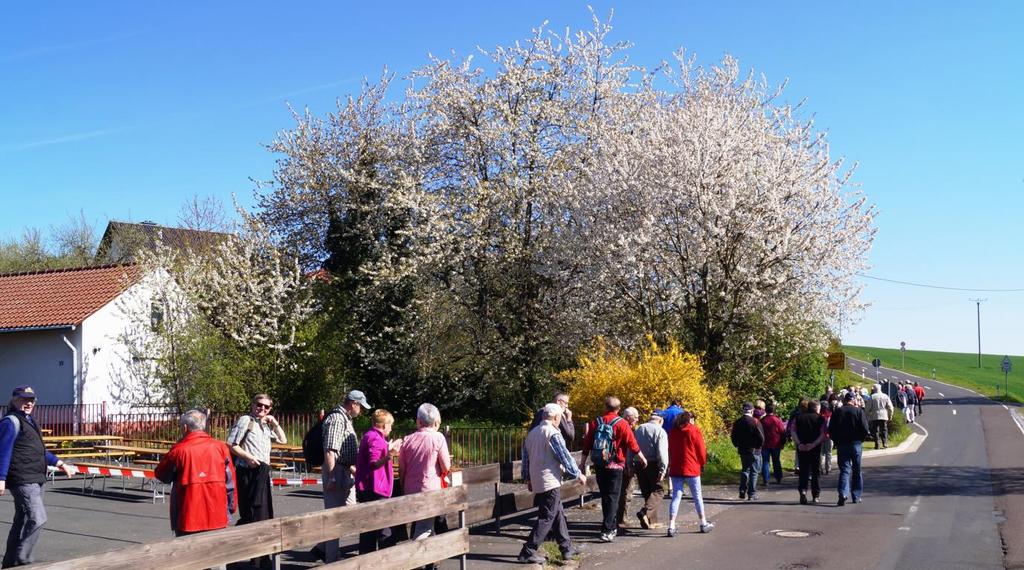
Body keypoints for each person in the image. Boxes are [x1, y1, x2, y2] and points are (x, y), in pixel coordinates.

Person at [0, 386, 75, 568]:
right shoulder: (11, 422)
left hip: (35, 476)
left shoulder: (29, 421)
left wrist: (61, 464)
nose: (29, 403)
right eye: (24, 399)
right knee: (38, 517)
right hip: (23, 478)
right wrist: (1, 478)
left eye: (31, 400)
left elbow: (39, 451)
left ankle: (10, 562)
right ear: (15, 400)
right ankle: (22, 559)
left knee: (23, 519)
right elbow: (3, 451)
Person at [518, 404, 587, 564]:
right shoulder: (552, 433)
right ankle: (528, 551)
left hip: (537, 479)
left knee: (557, 513)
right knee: (547, 516)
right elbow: (564, 456)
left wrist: (528, 478)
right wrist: (578, 474)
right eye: (560, 417)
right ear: (556, 417)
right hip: (550, 480)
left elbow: (526, 459)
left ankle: (566, 548)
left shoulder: (532, 433)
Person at [155, 410, 238, 541]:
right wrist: (231, 508)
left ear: (185, 427)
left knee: (189, 556)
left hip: (187, 515)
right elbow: (230, 482)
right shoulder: (220, 448)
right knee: (217, 554)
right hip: (218, 514)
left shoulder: (179, 450)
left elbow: (162, 475)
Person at [226, 393, 287, 568]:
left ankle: (259, 558)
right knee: (252, 514)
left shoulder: (265, 424)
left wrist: (274, 422)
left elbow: (283, 440)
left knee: (263, 515)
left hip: (262, 472)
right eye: (259, 405)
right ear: (252, 405)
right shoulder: (246, 420)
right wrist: (248, 457)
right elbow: (231, 444)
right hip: (248, 472)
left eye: (266, 407)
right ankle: (236, 551)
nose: (262, 409)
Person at [581, 396, 647, 543]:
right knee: (613, 498)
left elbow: (587, 444)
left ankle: (607, 525)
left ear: (605, 407)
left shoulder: (596, 422)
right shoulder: (622, 424)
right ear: (618, 409)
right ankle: (608, 529)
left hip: (599, 464)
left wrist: (583, 463)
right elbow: (632, 443)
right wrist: (642, 458)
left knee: (605, 496)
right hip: (615, 465)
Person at [317, 389, 371, 562]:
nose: (361, 411)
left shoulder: (344, 418)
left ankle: (322, 548)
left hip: (344, 470)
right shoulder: (337, 419)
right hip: (337, 471)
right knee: (335, 517)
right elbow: (330, 450)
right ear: (353, 404)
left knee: (348, 513)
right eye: (360, 407)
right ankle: (331, 558)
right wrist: (332, 477)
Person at [399, 403, 452, 541]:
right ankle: (416, 557)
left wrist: (403, 485)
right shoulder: (438, 438)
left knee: (418, 523)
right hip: (431, 489)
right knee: (425, 527)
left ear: (419, 421)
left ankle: (430, 559)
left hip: (411, 489)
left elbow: (402, 469)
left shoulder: (407, 440)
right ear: (435, 422)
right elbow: (446, 466)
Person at [355, 409, 402, 554]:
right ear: (384, 425)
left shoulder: (370, 436)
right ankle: (385, 561)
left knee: (368, 530)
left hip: (368, 488)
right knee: (383, 529)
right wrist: (390, 455)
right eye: (390, 425)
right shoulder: (375, 438)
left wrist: (388, 448)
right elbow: (373, 463)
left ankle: (367, 560)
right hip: (375, 489)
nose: (391, 428)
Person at [666, 411, 713, 535]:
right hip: (691, 467)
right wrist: (702, 463)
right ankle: (703, 522)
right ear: (688, 420)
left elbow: (670, 449)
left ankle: (671, 525)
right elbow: (701, 449)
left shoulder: (672, 432)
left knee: (676, 496)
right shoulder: (694, 430)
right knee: (697, 496)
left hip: (676, 467)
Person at [829, 392, 870, 506]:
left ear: (845, 400)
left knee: (845, 470)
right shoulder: (858, 411)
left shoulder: (837, 412)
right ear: (853, 400)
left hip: (842, 444)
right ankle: (856, 496)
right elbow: (865, 428)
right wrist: (861, 439)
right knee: (857, 470)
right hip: (856, 443)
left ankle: (843, 493)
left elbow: (831, 429)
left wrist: (837, 441)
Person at [632, 412, 668, 529]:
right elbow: (662, 453)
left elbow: (631, 447)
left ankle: (652, 521)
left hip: (639, 464)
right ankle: (644, 512)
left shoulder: (639, 429)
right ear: (661, 420)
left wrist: (629, 464)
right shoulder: (660, 431)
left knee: (648, 492)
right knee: (659, 490)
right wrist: (663, 469)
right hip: (653, 464)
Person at [792, 400, 827, 504]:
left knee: (803, 470)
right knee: (815, 472)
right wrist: (814, 444)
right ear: (816, 408)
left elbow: (793, 431)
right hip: (815, 448)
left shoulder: (798, 418)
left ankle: (803, 491)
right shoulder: (821, 419)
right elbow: (823, 434)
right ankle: (815, 495)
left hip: (802, 447)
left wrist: (799, 444)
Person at [730, 402, 765, 500]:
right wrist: (759, 446)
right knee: (754, 472)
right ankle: (751, 493)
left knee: (745, 470)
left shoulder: (738, 422)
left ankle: (742, 490)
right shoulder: (755, 422)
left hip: (742, 449)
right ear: (752, 410)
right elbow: (761, 437)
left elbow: (733, 436)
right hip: (754, 450)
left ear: (743, 410)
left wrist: (736, 444)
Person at [615, 407, 641, 533]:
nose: (637, 419)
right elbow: (630, 448)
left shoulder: (617, 424)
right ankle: (621, 519)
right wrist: (629, 465)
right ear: (628, 417)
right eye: (635, 417)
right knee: (626, 492)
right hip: (624, 464)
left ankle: (617, 518)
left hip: (616, 464)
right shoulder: (625, 428)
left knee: (620, 492)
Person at [760, 403, 787, 486]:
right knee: (776, 461)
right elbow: (782, 432)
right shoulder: (777, 420)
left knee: (765, 462)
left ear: (765, 410)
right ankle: (778, 477)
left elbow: (759, 431)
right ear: (774, 410)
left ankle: (766, 480)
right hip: (776, 444)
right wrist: (783, 442)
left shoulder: (762, 420)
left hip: (765, 444)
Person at [866, 384, 895, 449]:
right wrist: (890, 415)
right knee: (884, 429)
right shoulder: (885, 396)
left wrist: (867, 415)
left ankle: (877, 445)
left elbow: (867, 408)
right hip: (884, 415)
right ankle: (885, 443)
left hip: (875, 415)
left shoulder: (872, 397)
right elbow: (890, 407)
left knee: (876, 430)